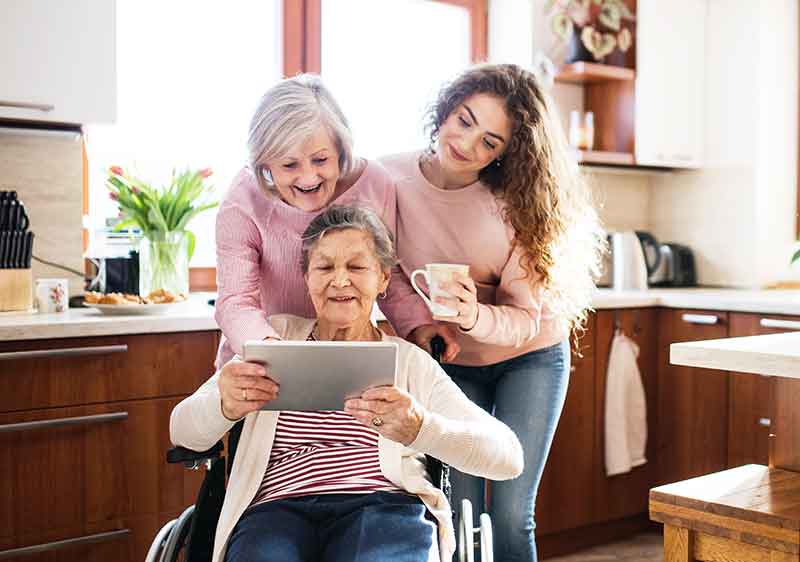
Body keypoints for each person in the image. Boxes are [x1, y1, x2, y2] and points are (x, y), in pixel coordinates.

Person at [171, 205, 524, 562]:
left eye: (356, 267)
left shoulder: (410, 361)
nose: (340, 281)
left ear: (384, 277)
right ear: (307, 277)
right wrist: (223, 406)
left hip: (384, 509)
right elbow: (181, 432)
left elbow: (508, 457)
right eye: (324, 267)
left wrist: (422, 428)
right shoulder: (271, 341)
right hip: (276, 511)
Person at [380, 63, 604, 562]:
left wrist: (471, 315)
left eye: (489, 142)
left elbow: (526, 317)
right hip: (454, 362)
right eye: (464, 120)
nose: (466, 144)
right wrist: (421, 324)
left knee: (507, 513)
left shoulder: (518, 205)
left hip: (532, 358)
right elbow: (387, 267)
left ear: (506, 155)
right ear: (445, 109)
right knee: (457, 508)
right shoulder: (387, 177)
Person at [214, 74, 457, 370]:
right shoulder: (242, 200)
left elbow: (386, 275)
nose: (307, 177)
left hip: (345, 356)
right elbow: (235, 302)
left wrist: (419, 324)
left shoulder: (373, 183)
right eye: (289, 165)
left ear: (341, 151)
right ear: (264, 164)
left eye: (320, 160)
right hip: (262, 360)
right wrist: (277, 357)